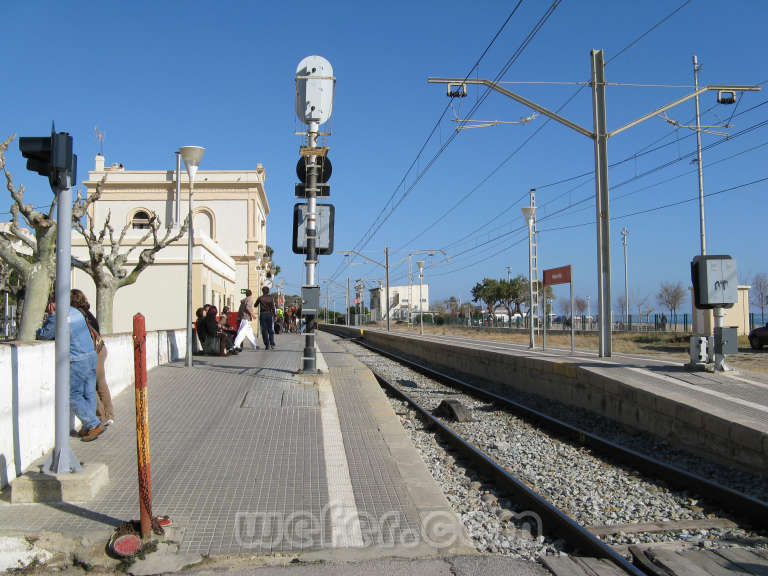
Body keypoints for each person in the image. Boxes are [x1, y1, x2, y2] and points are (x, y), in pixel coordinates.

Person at [37, 294, 104, 441]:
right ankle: (89, 426)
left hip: (77, 359)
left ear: (52, 304)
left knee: (72, 394)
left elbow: (45, 335)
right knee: (89, 392)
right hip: (91, 356)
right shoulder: (76, 312)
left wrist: (43, 325)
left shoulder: (58, 316)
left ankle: (93, 424)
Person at [71, 289, 114, 426]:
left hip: (93, 351)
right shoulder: (87, 313)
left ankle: (101, 417)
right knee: (100, 382)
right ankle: (109, 414)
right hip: (101, 348)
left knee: (90, 386)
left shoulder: (77, 314)